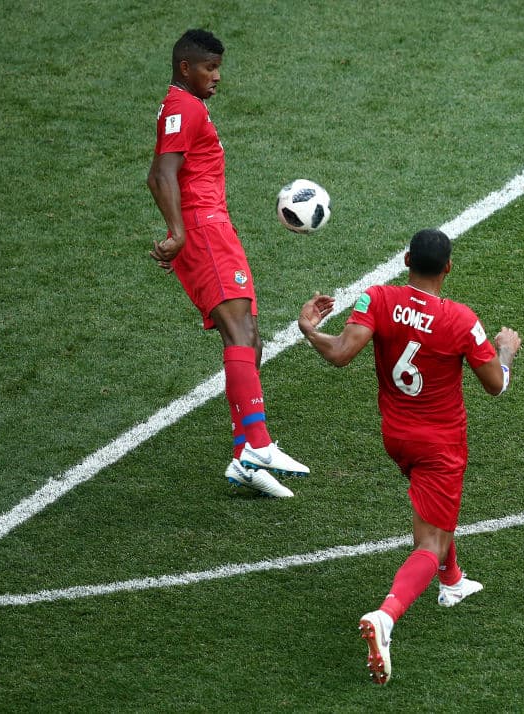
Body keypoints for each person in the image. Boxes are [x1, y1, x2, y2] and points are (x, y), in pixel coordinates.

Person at [297, 228, 521, 684]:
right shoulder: (460, 320)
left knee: (435, 510)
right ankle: (386, 616)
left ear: (405, 260)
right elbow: (496, 385)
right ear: (449, 268)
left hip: (396, 437)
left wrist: (309, 331)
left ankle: (452, 581)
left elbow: (341, 354)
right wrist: (506, 352)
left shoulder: (377, 297)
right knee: (429, 542)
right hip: (440, 444)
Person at [147, 29, 308, 498]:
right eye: (208, 68)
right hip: (202, 229)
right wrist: (178, 233)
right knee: (240, 336)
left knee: (251, 339)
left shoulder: (189, 106)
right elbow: (160, 174)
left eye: (218, 68)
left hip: (215, 227)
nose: (216, 77)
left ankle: (245, 457)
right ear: (185, 68)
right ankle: (257, 444)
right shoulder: (183, 106)